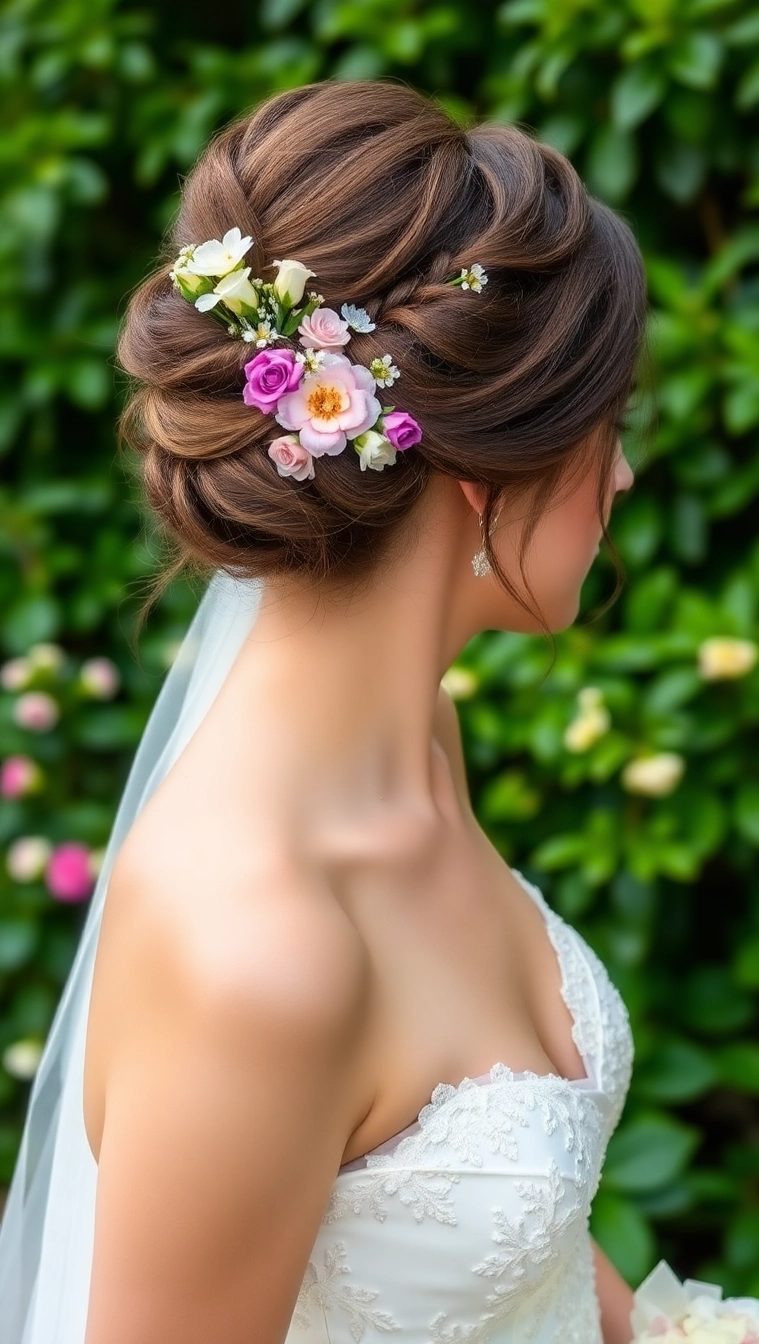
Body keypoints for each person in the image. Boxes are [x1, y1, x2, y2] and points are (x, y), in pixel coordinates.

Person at [0, 78, 647, 1344]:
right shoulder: (259, 951)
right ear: (478, 472)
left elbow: (503, 1244)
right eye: (606, 420)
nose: (623, 471)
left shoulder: (418, 748)